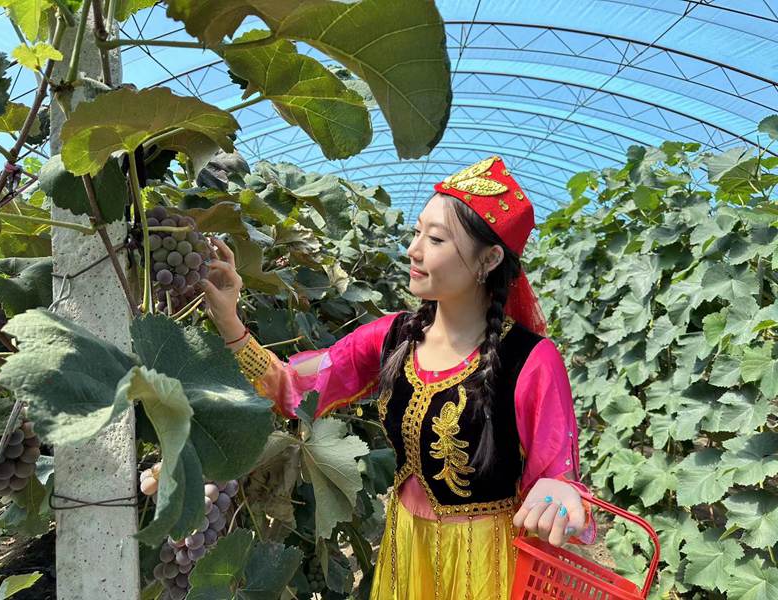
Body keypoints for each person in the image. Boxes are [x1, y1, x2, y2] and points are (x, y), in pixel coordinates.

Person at [199, 156, 597, 599]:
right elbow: (295, 387)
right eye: (417, 232)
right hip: (406, 546)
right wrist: (230, 322)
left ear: (489, 259)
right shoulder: (391, 337)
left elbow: (559, 479)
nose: (414, 249)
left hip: (486, 563)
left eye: (436, 238)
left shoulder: (532, 360)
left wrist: (559, 495)